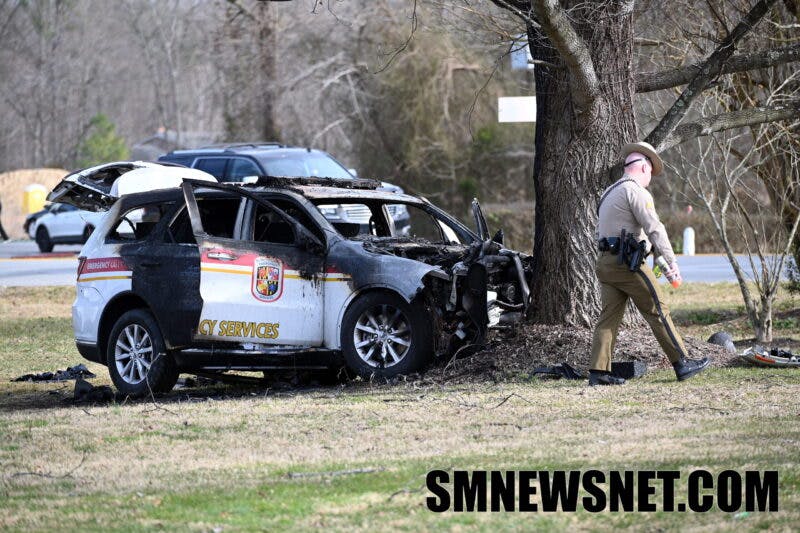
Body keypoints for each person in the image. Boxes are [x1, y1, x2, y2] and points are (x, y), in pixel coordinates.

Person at [588, 141, 709, 386]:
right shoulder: (635, 191)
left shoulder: (609, 192)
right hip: (627, 263)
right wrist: (671, 260)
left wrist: (654, 255)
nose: (650, 179)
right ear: (643, 168)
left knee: (608, 318)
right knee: (658, 309)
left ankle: (598, 373)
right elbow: (654, 228)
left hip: (605, 263)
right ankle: (683, 363)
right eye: (651, 174)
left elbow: (626, 230)